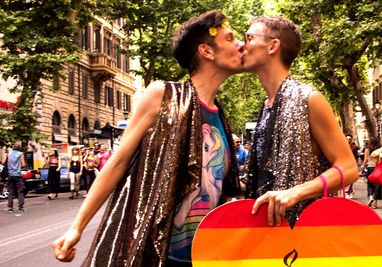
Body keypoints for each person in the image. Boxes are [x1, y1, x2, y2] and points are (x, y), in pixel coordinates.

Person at [52, 10, 243, 266]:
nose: (241, 44)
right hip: (158, 253)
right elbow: (118, 162)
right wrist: (77, 228)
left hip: (207, 255)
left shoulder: (221, 115)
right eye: (231, 38)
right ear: (206, 51)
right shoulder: (162, 95)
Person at [242, 16, 359, 227]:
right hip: (266, 239)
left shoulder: (309, 98)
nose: (243, 45)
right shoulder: (266, 104)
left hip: (304, 237)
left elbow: (349, 168)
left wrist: (295, 192)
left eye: (249, 37)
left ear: (272, 46)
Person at [361, 137, 382, 208]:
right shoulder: (380, 149)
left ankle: (370, 198)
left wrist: (363, 166)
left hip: (369, 167)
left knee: (370, 183)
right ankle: (375, 203)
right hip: (377, 168)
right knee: (377, 185)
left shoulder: (367, 149)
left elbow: (366, 159)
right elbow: (381, 159)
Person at [7, 141, 26, 213]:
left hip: (10, 174)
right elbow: (23, 164)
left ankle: (10, 208)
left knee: (10, 192)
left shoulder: (9, 153)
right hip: (17, 175)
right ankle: (20, 207)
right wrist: (18, 166)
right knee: (20, 191)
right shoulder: (20, 154)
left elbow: (4, 162)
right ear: (19, 147)